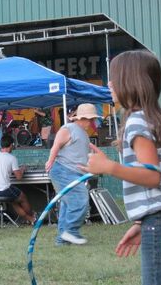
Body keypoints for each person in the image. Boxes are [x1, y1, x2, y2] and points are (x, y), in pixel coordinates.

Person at [82, 50, 161, 285]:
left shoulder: (137, 121)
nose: (109, 84)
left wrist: (109, 167)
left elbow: (153, 177)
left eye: (115, 78)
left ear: (131, 83)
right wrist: (142, 223)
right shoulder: (150, 118)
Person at [45, 103, 99, 245]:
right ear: (83, 118)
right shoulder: (68, 128)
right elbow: (56, 145)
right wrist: (50, 161)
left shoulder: (84, 134)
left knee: (67, 205)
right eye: (91, 119)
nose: (92, 122)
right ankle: (71, 231)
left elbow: (83, 152)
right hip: (63, 170)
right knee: (80, 199)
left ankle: (62, 240)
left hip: (75, 174)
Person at [0, 135, 36, 223]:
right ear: (11, 145)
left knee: (13, 201)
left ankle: (30, 219)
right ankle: (32, 216)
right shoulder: (11, 158)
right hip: (3, 190)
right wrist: (23, 169)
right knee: (22, 197)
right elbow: (19, 177)